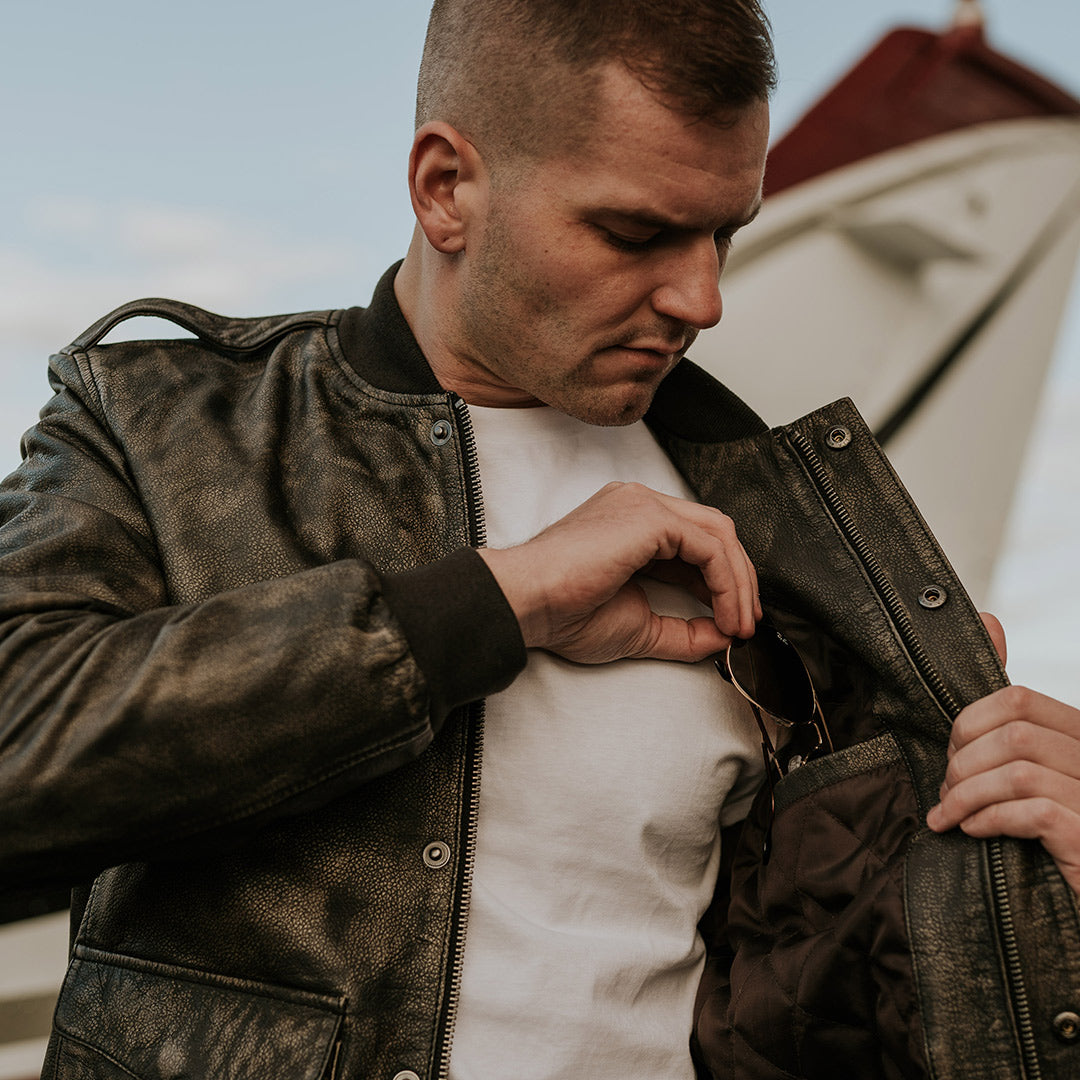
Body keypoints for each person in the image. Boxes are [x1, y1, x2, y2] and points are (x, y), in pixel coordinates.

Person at [0, 1, 1078, 1077]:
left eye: (725, 233)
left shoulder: (787, 524)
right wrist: (492, 604)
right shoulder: (154, 424)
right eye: (634, 233)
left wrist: (1035, 887)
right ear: (446, 188)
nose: (702, 298)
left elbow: (843, 1014)